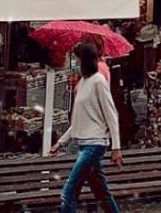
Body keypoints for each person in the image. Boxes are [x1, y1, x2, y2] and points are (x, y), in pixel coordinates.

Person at [50, 42, 123, 213]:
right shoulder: (83, 83)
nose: (74, 61)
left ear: (83, 60)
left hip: (95, 144)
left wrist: (116, 147)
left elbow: (111, 115)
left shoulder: (98, 81)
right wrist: (61, 142)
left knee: (69, 191)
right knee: (101, 191)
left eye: (76, 58)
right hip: (85, 143)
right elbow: (79, 120)